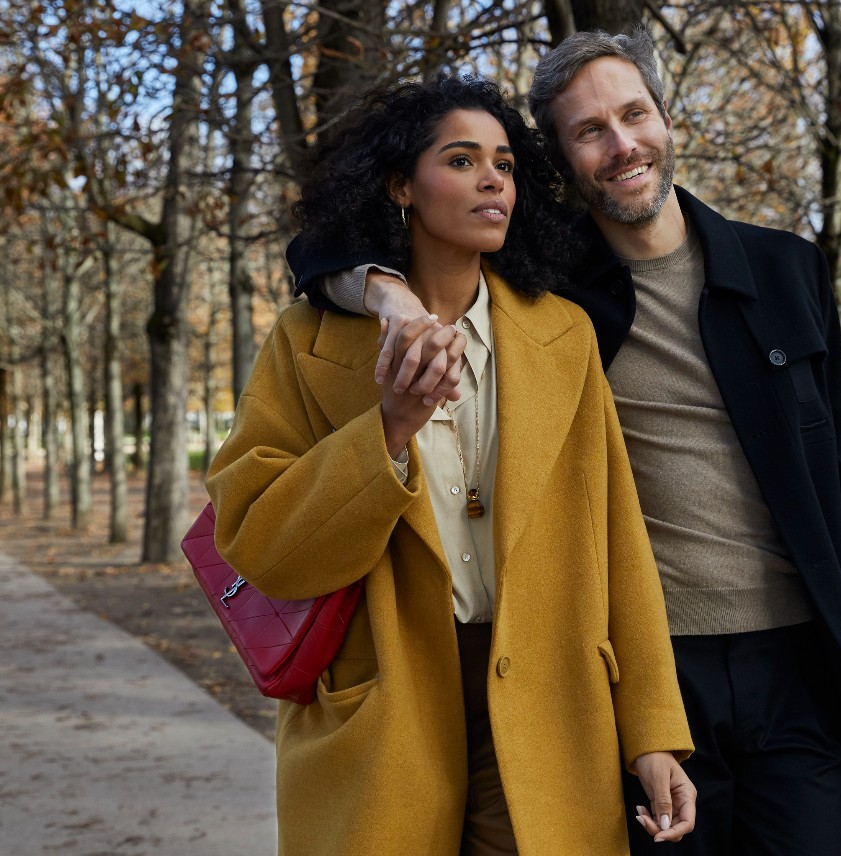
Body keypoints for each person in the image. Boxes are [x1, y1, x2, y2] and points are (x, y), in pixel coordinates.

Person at [288, 31, 841, 856]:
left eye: (634, 114)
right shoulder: (552, 291)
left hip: (802, 661)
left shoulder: (786, 269)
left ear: (667, 119)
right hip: (645, 665)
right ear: (561, 161)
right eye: (588, 131)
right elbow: (325, 246)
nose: (622, 144)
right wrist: (384, 293)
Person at [207, 74, 695, 856]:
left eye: (503, 163)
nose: (492, 179)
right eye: (462, 161)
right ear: (402, 185)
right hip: (383, 706)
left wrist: (653, 731)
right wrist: (389, 429)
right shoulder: (308, 341)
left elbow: (618, 545)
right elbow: (261, 543)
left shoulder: (562, 337)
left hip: (549, 698)